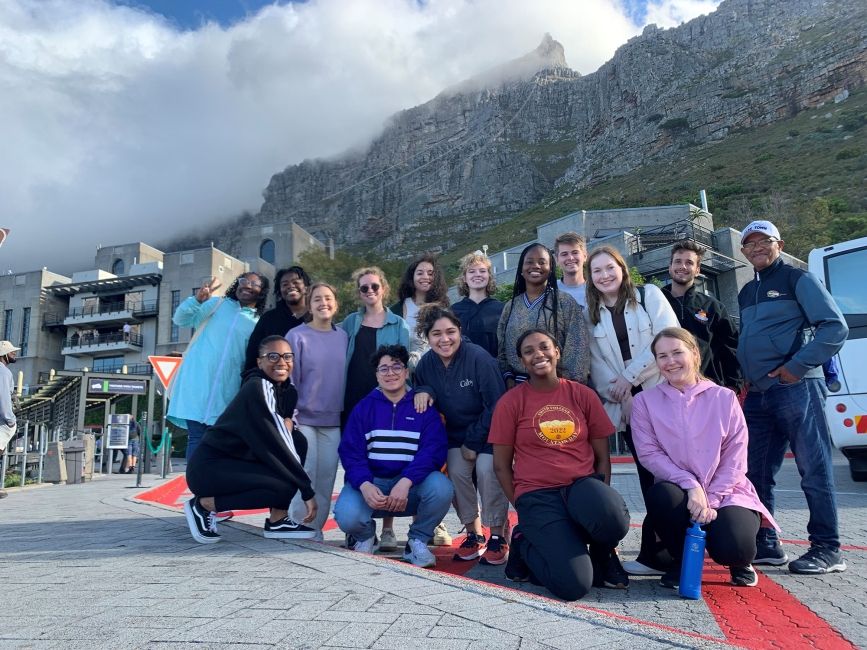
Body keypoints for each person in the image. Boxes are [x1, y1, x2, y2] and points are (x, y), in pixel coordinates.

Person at [737, 220, 848, 574]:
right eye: (749, 244)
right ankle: (766, 543)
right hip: (758, 394)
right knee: (756, 473)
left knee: (813, 469)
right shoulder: (746, 292)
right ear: (743, 252)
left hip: (797, 387)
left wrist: (797, 366)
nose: (756, 248)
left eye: (763, 241)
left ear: (779, 244)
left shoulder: (798, 279)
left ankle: (828, 548)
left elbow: (834, 327)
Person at [631, 327, 779, 589]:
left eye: (677, 352)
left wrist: (710, 498)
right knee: (660, 496)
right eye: (662, 356)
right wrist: (690, 485)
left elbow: (736, 454)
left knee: (734, 546)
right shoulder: (644, 402)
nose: (670, 361)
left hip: (727, 491)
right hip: (680, 490)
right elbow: (648, 453)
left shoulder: (724, 397)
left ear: (695, 353)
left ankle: (740, 563)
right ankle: (682, 560)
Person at [490, 330, 630, 600]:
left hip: (582, 487)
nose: (538, 354)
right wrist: (522, 505)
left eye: (544, 347)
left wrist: (600, 502)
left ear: (557, 352)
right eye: (529, 351)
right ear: (521, 361)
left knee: (613, 518)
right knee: (573, 585)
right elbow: (501, 466)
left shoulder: (582, 395)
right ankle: (524, 542)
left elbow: (602, 457)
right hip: (538, 495)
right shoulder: (511, 402)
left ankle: (603, 549)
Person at [583, 245, 679, 576]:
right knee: (648, 476)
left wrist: (630, 380)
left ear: (622, 269)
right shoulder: (591, 314)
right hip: (626, 407)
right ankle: (656, 553)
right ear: (590, 278)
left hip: (663, 397)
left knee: (671, 474)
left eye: (609, 267)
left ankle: (673, 549)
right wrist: (622, 394)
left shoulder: (649, 295)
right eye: (597, 271)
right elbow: (596, 366)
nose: (604, 275)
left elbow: (668, 341)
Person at [183, 336, 317, 544]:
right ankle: (204, 505)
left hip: (238, 464)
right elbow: (279, 442)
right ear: (259, 362)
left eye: (287, 356)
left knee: (298, 441)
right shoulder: (257, 387)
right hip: (209, 469)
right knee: (283, 480)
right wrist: (306, 489)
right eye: (272, 356)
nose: (281, 362)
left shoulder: (288, 392)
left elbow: (282, 441)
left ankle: (278, 519)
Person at [334, 344, 454, 568]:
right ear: (376, 375)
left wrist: (406, 482)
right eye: (384, 369)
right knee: (346, 514)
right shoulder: (364, 408)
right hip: (374, 484)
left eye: (396, 367)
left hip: (410, 487)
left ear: (406, 372)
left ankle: (417, 541)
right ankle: (364, 537)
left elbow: (433, 451)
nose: (391, 373)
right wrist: (364, 485)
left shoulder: (423, 407)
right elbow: (351, 453)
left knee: (442, 488)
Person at [413, 306, 510, 564]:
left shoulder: (479, 358)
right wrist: (422, 389)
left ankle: (498, 535)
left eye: (450, 332)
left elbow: (497, 405)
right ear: (427, 337)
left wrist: (474, 441)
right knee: (456, 472)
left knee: (488, 469)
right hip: (455, 436)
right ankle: (473, 533)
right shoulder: (426, 363)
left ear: (459, 331)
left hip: (489, 433)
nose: (444, 339)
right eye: (436, 334)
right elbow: (420, 382)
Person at [340, 267, 412, 551]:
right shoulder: (350, 322)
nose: (369, 292)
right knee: (355, 461)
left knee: (387, 459)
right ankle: (358, 526)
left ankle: (388, 528)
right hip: (353, 402)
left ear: (384, 288)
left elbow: (404, 363)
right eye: (363, 288)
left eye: (374, 287)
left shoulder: (398, 324)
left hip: (385, 403)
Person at [168, 272, 269, 461]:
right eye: (243, 281)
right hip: (196, 384)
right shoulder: (216, 305)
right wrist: (196, 300)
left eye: (254, 284)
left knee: (219, 441)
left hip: (228, 390)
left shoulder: (257, 322)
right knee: (196, 437)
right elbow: (180, 320)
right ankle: (198, 488)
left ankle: (214, 486)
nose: (246, 285)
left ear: (262, 291)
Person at [286, 283, 348, 540]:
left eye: (328, 298)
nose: (323, 303)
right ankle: (297, 524)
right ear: (309, 305)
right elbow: (289, 379)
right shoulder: (296, 335)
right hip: (304, 419)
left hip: (333, 420)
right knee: (307, 472)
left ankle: (314, 528)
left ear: (336, 303)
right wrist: (291, 416)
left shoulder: (343, 336)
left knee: (326, 476)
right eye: (317, 299)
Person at [497, 243, 589, 387]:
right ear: (521, 268)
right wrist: (509, 380)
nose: (535, 266)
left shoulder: (564, 302)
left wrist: (569, 387)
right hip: (518, 387)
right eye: (529, 262)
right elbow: (502, 350)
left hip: (557, 386)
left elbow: (578, 349)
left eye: (542, 262)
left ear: (551, 268)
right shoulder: (511, 306)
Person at [661, 241, 741, 390]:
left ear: (697, 270)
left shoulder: (713, 307)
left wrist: (733, 384)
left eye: (689, 263)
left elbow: (731, 347)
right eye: (678, 261)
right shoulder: (654, 303)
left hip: (707, 387)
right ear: (670, 268)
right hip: (663, 388)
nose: (682, 267)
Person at [244, 266, 311, 371]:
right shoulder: (268, 319)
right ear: (280, 290)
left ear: (306, 287)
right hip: (277, 384)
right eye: (285, 284)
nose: (290, 286)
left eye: (295, 282)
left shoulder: (317, 317)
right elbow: (253, 356)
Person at [391, 253, 450, 369]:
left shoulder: (443, 308)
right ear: (411, 277)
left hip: (438, 370)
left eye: (430, 273)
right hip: (408, 373)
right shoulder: (398, 309)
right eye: (420, 273)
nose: (425, 277)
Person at [450, 251, 503, 358]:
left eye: (482, 271)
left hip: (495, 371)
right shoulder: (453, 311)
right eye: (472, 271)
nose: (477, 274)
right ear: (464, 278)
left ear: (489, 276)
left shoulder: (502, 309)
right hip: (463, 371)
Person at [0, 340, 20, 499]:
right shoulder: (3, 372)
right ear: (4, 355)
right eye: (11, 351)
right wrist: (10, 419)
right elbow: (3, 397)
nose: (14, 353)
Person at [554, 232, 588, 308]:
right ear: (557, 260)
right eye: (564, 254)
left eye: (575, 252)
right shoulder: (550, 291)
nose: (570, 258)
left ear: (585, 256)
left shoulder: (597, 289)